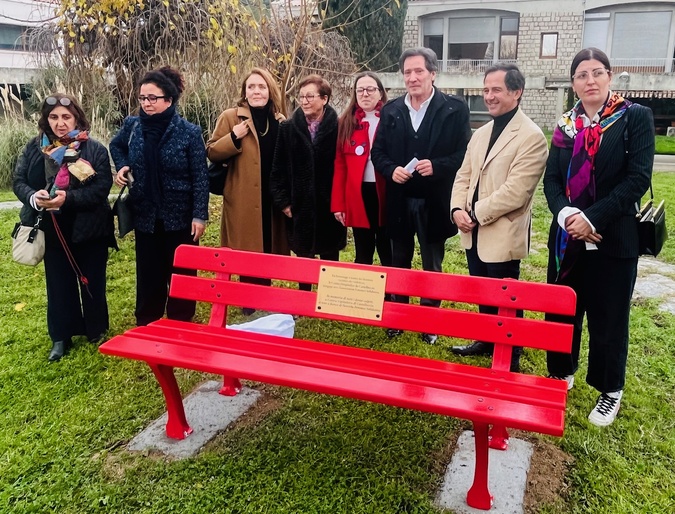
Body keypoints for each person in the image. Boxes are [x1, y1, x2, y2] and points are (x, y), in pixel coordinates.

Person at [544, 48, 654, 426]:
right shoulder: (565, 126)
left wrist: (591, 217)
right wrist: (567, 214)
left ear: (610, 77)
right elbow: (552, 180)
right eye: (581, 75)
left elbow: (637, 179)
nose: (589, 81)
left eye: (597, 73)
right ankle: (561, 372)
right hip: (566, 239)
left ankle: (610, 390)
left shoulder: (634, 118)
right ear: (573, 83)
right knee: (562, 309)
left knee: (609, 317)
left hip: (613, 238)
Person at [449, 63, 548, 372]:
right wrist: (456, 210)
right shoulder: (481, 133)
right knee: (483, 290)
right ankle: (486, 340)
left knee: (506, 296)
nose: (488, 96)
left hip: (501, 231)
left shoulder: (531, 136)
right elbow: (463, 175)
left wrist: (475, 213)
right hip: (471, 229)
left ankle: (510, 354)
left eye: (496, 90)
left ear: (516, 92)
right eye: (486, 90)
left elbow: (516, 192)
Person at [371, 47, 471, 344]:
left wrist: (437, 166)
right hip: (399, 199)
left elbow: (464, 153)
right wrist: (391, 170)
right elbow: (378, 153)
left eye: (418, 71)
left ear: (432, 73)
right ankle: (399, 315)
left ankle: (429, 319)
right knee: (398, 259)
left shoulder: (454, 108)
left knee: (432, 262)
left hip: (435, 199)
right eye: (407, 72)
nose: (412, 78)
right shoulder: (391, 110)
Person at [13, 93, 114, 361]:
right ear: (46, 120)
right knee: (58, 284)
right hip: (51, 226)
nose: (60, 123)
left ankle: (96, 329)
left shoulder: (93, 149)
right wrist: (34, 197)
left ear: (77, 118)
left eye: (66, 117)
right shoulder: (35, 148)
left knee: (92, 279)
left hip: (89, 226)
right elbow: (19, 181)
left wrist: (68, 198)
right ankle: (61, 335)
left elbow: (101, 189)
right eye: (54, 117)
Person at [110, 66, 209, 326]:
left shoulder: (189, 132)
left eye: (152, 98)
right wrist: (122, 165)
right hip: (146, 213)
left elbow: (200, 176)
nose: (146, 103)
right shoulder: (133, 126)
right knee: (149, 271)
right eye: (142, 98)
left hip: (181, 215)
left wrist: (199, 215)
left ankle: (181, 319)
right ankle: (147, 319)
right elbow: (116, 145)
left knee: (182, 271)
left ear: (169, 99)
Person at [206, 68, 289, 312]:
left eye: (261, 87)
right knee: (246, 246)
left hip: (271, 196)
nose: (256, 91)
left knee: (267, 243)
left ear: (269, 90)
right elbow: (211, 151)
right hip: (243, 194)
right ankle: (247, 301)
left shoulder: (279, 120)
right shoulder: (232, 117)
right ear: (244, 91)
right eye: (251, 87)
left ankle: (265, 295)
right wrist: (233, 137)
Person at [270, 74, 346, 289]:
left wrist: (341, 202)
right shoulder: (288, 129)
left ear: (324, 99)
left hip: (330, 205)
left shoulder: (339, 128)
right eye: (301, 96)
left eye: (310, 96)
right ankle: (304, 299)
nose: (304, 101)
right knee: (304, 255)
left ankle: (331, 297)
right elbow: (278, 170)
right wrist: (284, 203)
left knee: (330, 253)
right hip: (299, 205)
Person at [331, 71, 391, 267]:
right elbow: (339, 166)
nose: (365, 94)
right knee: (362, 251)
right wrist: (338, 204)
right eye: (360, 90)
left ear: (380, 93)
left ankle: (391, 295)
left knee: (387, 250)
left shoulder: (392, 118)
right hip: (358, 194)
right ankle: (362, 295)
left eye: (370, 89)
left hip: (386, 193)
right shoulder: (346, 122)